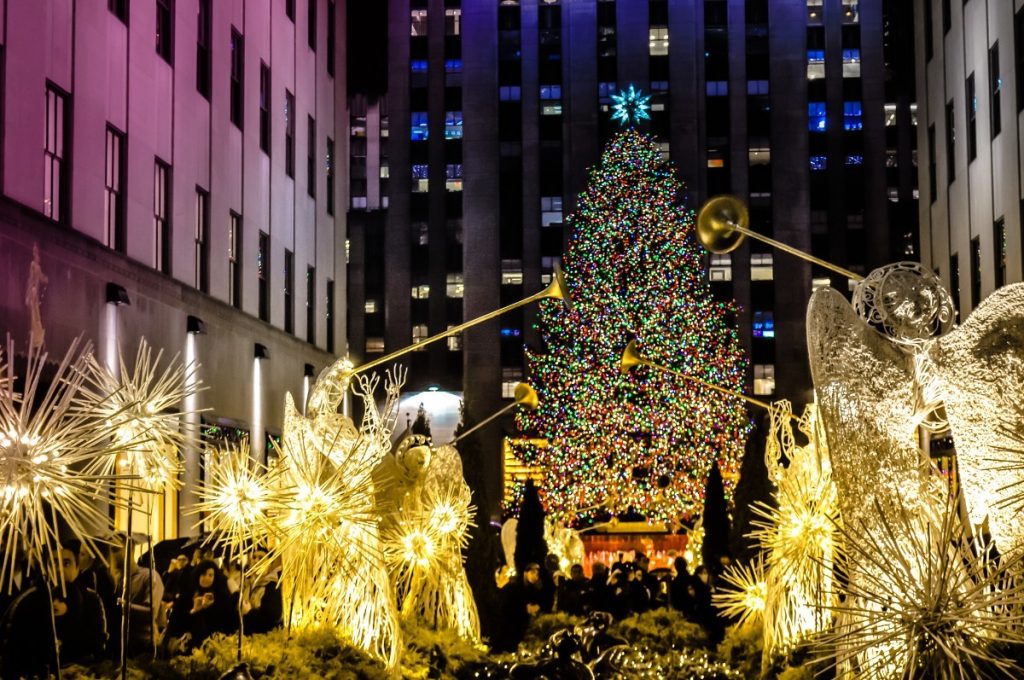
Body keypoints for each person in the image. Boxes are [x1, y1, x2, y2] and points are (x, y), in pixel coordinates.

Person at [109, 537, 164, 659]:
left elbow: (151, 612)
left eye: (117, 549)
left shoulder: (149, 576)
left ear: (131, 549)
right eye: (112, 549)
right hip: (121, 645)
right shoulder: (115, 581)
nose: (114, 554)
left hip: (145, 645)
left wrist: (125, 605)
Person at [165, 559, 237, 653]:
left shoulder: (220, 596)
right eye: (203, 574)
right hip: (187, 647)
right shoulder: (188, 594)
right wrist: (194, 611)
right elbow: (176, 622)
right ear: (198, 575)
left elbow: (227, 621)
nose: (207, 578)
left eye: (210, 575)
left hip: (211, 648)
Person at [242, 554, 283, 634]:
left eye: (261, 558)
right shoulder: (248, 586)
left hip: (264, 641)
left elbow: (271, 619)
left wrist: (250, 612)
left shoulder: (272, 587)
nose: (256, 561)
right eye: (254, 557)